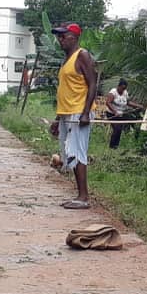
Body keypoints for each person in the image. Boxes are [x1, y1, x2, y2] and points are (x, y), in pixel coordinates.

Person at [49, 23, 97, 209]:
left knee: (78, 152)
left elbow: (92, 84)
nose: (60, 40)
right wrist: (57, 118)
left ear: (74, 37)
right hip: (66, 113)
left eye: (64, 36)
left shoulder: (82, 55)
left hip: (79, 112)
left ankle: (83, 197)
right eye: (59, 37)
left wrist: (85, 113)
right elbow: (65, 91)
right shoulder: (66, 59)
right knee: (69, 154)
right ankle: (79, 195)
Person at [105, 79, 143, 149]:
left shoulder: (125, 93)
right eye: (122, 88)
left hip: (121, 113)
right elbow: (108, 103)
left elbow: (128, 102)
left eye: (124, 88)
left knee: (122, 128)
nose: (122, 90)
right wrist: (115, 111)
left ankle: (116, 146)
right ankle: (112, 146)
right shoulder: (113, 92)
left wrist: (138, 106)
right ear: (118, 86)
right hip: (112, 114)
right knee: (117, 129)